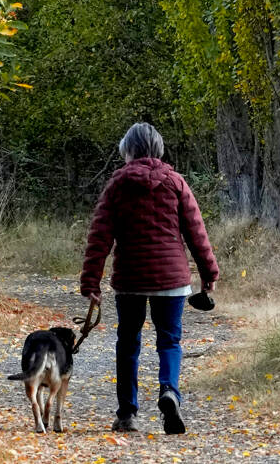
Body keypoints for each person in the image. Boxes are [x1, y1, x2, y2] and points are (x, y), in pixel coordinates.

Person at [80, 122, 219, 435]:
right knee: (169, 340)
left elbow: (100, 236)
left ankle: (127, 413)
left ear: (128, 150)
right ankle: (169, 391)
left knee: (128, 344)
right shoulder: (176, 182)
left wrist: (91, 282)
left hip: (130, 279)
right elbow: (197, 232)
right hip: (172, 281)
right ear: (158, 149)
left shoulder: (117, 184)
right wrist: (209, 274)